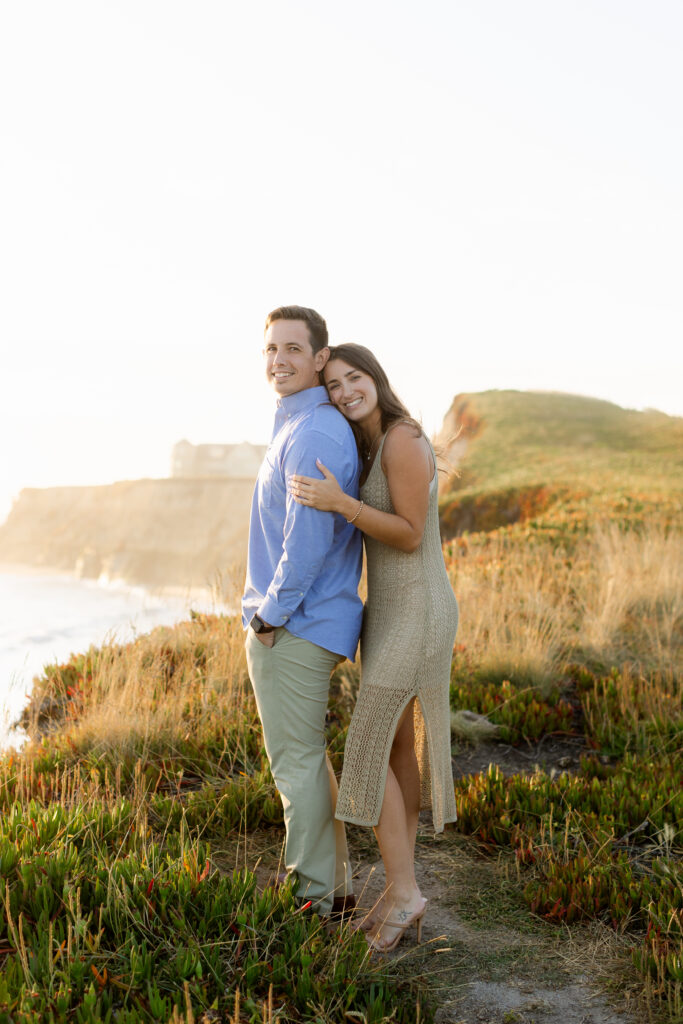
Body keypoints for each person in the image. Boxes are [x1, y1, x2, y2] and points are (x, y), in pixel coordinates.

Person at [289, 343, 458, 951]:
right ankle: (398, 887)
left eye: (352, 378)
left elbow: (411, 536)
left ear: (375, 379)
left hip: (419, 613)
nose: (343, 392)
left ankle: (407, 892)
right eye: (332, 385)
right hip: (384, 614)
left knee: (364, 745)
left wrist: (343, 505)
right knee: (394, 750)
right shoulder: (369, 444)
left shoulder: (404, 439)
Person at [242, 307, 363, 919]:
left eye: (293, 348)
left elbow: (306, 543)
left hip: (295, 626)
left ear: (320, 357)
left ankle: (315, 898)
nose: (278, 360)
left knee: (295, 763)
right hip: (303, 623)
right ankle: (331, 885)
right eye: (270, 349)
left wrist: (269, 617)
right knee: (306, 758)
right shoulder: (300, 423)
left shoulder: (312, 431)